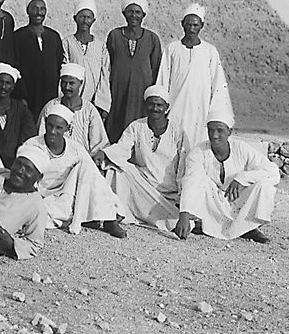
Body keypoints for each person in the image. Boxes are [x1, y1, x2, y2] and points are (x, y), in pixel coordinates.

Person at [21, 102, 127, 238]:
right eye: (50, 126)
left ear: (67, 128)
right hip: (40, 195)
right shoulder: (32, 145)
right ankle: (86, 216)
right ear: (45, 124)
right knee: (41, 211)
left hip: (67, 195)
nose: (53, 131)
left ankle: (109, 219)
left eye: (59, 127)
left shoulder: (75, 149)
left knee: (87, 167)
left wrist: (112, 202)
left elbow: (94, 176)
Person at [93, 85, 189, 231]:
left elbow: (183, 168)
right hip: (141, 183)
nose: (155, 108)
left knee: (175, 222)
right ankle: (115, 213)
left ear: (167, 107)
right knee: (117, 168)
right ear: (145, 105)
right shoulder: (136, 126)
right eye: (151, 104)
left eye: (159, 105)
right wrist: (104, 153)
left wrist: (183, 204)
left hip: (166, 196)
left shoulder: (178, 132)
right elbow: (122, 148)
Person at [174, 109, 278, 243]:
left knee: (265, 186)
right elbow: (191, 181)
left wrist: (242, 179)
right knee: (200, 180)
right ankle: (205, 224)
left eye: (219, 130)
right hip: (212, 203)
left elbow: (272, 172)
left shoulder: (241, 148)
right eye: (210, 130)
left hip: (236, 201)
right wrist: (184, 214)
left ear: (229, 132)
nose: (214, 135)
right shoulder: (198, 152)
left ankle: (249, 228)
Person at [156, 4, 233, 147]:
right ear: (182, 25)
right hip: (175, 108)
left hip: (200, 112)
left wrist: (215, 113)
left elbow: (218, 85)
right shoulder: (172, 49)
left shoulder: (210, 51)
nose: (192, 29)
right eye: (188, 25)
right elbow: (163, 79)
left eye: (195, 25)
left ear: (201, 26)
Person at [104, 0, 162, 143]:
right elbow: (107, 64)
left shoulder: (152, 39)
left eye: (137, 12)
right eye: (130, 11)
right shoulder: (114, 36)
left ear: (143, 15)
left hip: (141, 94)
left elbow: (156, 69)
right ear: (124, 13)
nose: (134, 16)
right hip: (118, 92)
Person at [36, 63, 108, 156]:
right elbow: (40, 137)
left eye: (71, 83)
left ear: (80, 83)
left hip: (81, 161)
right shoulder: (50, 107)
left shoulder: (89, 110)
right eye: (64, 82)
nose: (67, 87)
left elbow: (99, 143)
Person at [14, 0, 63, 118]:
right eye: (34, 8)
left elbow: (58, 64)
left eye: (42, 9)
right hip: (27, 93)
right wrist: (21, 95)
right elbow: (15, 66)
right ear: (27, 11)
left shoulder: (54, 36)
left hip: (49, 93)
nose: (38, 12)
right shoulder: (18, 36)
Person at [61, 0, 111, 115]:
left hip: (93, 102)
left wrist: (102, 103)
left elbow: (104, 75)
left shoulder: (100, 46)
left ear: (93, 20)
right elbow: (63, 70)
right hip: (70, 99)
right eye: (81, 17)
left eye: (88, 17)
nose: (85, 21)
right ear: (75, 19)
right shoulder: (67, 43)